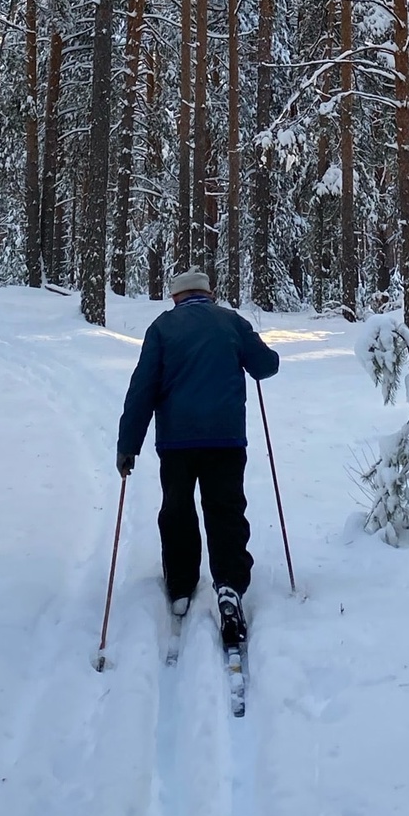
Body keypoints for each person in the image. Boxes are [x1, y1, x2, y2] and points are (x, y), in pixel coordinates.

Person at [116, 267, 280, 648]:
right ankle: (229, 586)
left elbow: (142, 388)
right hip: (226, 437)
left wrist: (128, 444)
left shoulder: (161, 328)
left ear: (175, 297)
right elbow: (265, 366)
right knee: (226, 510)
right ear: (209, 294)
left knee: (177, 508)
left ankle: (181, 584)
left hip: (176, 440)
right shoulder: (231, 322)